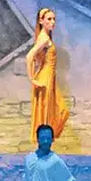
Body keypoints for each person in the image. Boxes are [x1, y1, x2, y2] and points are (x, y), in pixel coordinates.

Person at [25, 8, 69, 144]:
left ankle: (47, 138)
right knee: (51, 110)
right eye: (49, 19)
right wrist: (32, 79)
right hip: (46, 77)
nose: (53, 22)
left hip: (48, 76)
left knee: (57, 109)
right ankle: (45, 139)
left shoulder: (44, 37)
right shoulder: (43, 38)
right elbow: (29, 56)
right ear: (41, 21)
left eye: (54, 19)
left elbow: (36, 58)